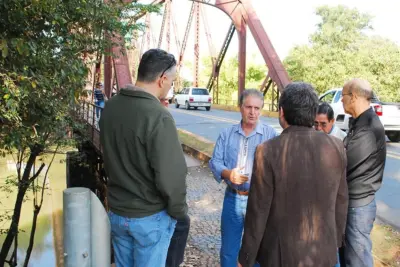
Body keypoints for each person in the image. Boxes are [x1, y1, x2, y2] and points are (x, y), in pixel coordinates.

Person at [238, 82, 348, 267]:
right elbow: (341, 201)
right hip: (323, 253)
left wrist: (245, 258)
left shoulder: (267, 150)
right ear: (313, 113)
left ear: (282, 111)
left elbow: (258, 211)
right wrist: (334, 243)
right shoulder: (336, 146)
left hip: (280, 256)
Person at [99, 48, 188, 267]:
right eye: (172, 81)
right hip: (149, 218)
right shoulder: (158, 116)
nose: (171, 86)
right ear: (161, 79)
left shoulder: (110, 108)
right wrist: (178, 212)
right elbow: (172, 177)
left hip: (118, 213)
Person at [209, 89, 278, 267]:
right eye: (248, 107)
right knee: (228, 250)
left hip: (258, 200)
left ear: (261, 109)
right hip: (232, 198)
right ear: (240, 107)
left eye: (257, 108)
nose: (252, 112)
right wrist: (228, 173)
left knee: (256, 249)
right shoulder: (227, 133)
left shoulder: (270, 135)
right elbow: (215, 161)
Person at [340, 78, 386, 267]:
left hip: (358, 206)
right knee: (348, 257)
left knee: (357, 260)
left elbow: (343, 162)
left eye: (343, 96)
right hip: (353, 203)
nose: (341, 100)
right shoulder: (359, 122)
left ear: (354, 97)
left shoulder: (367, 127)